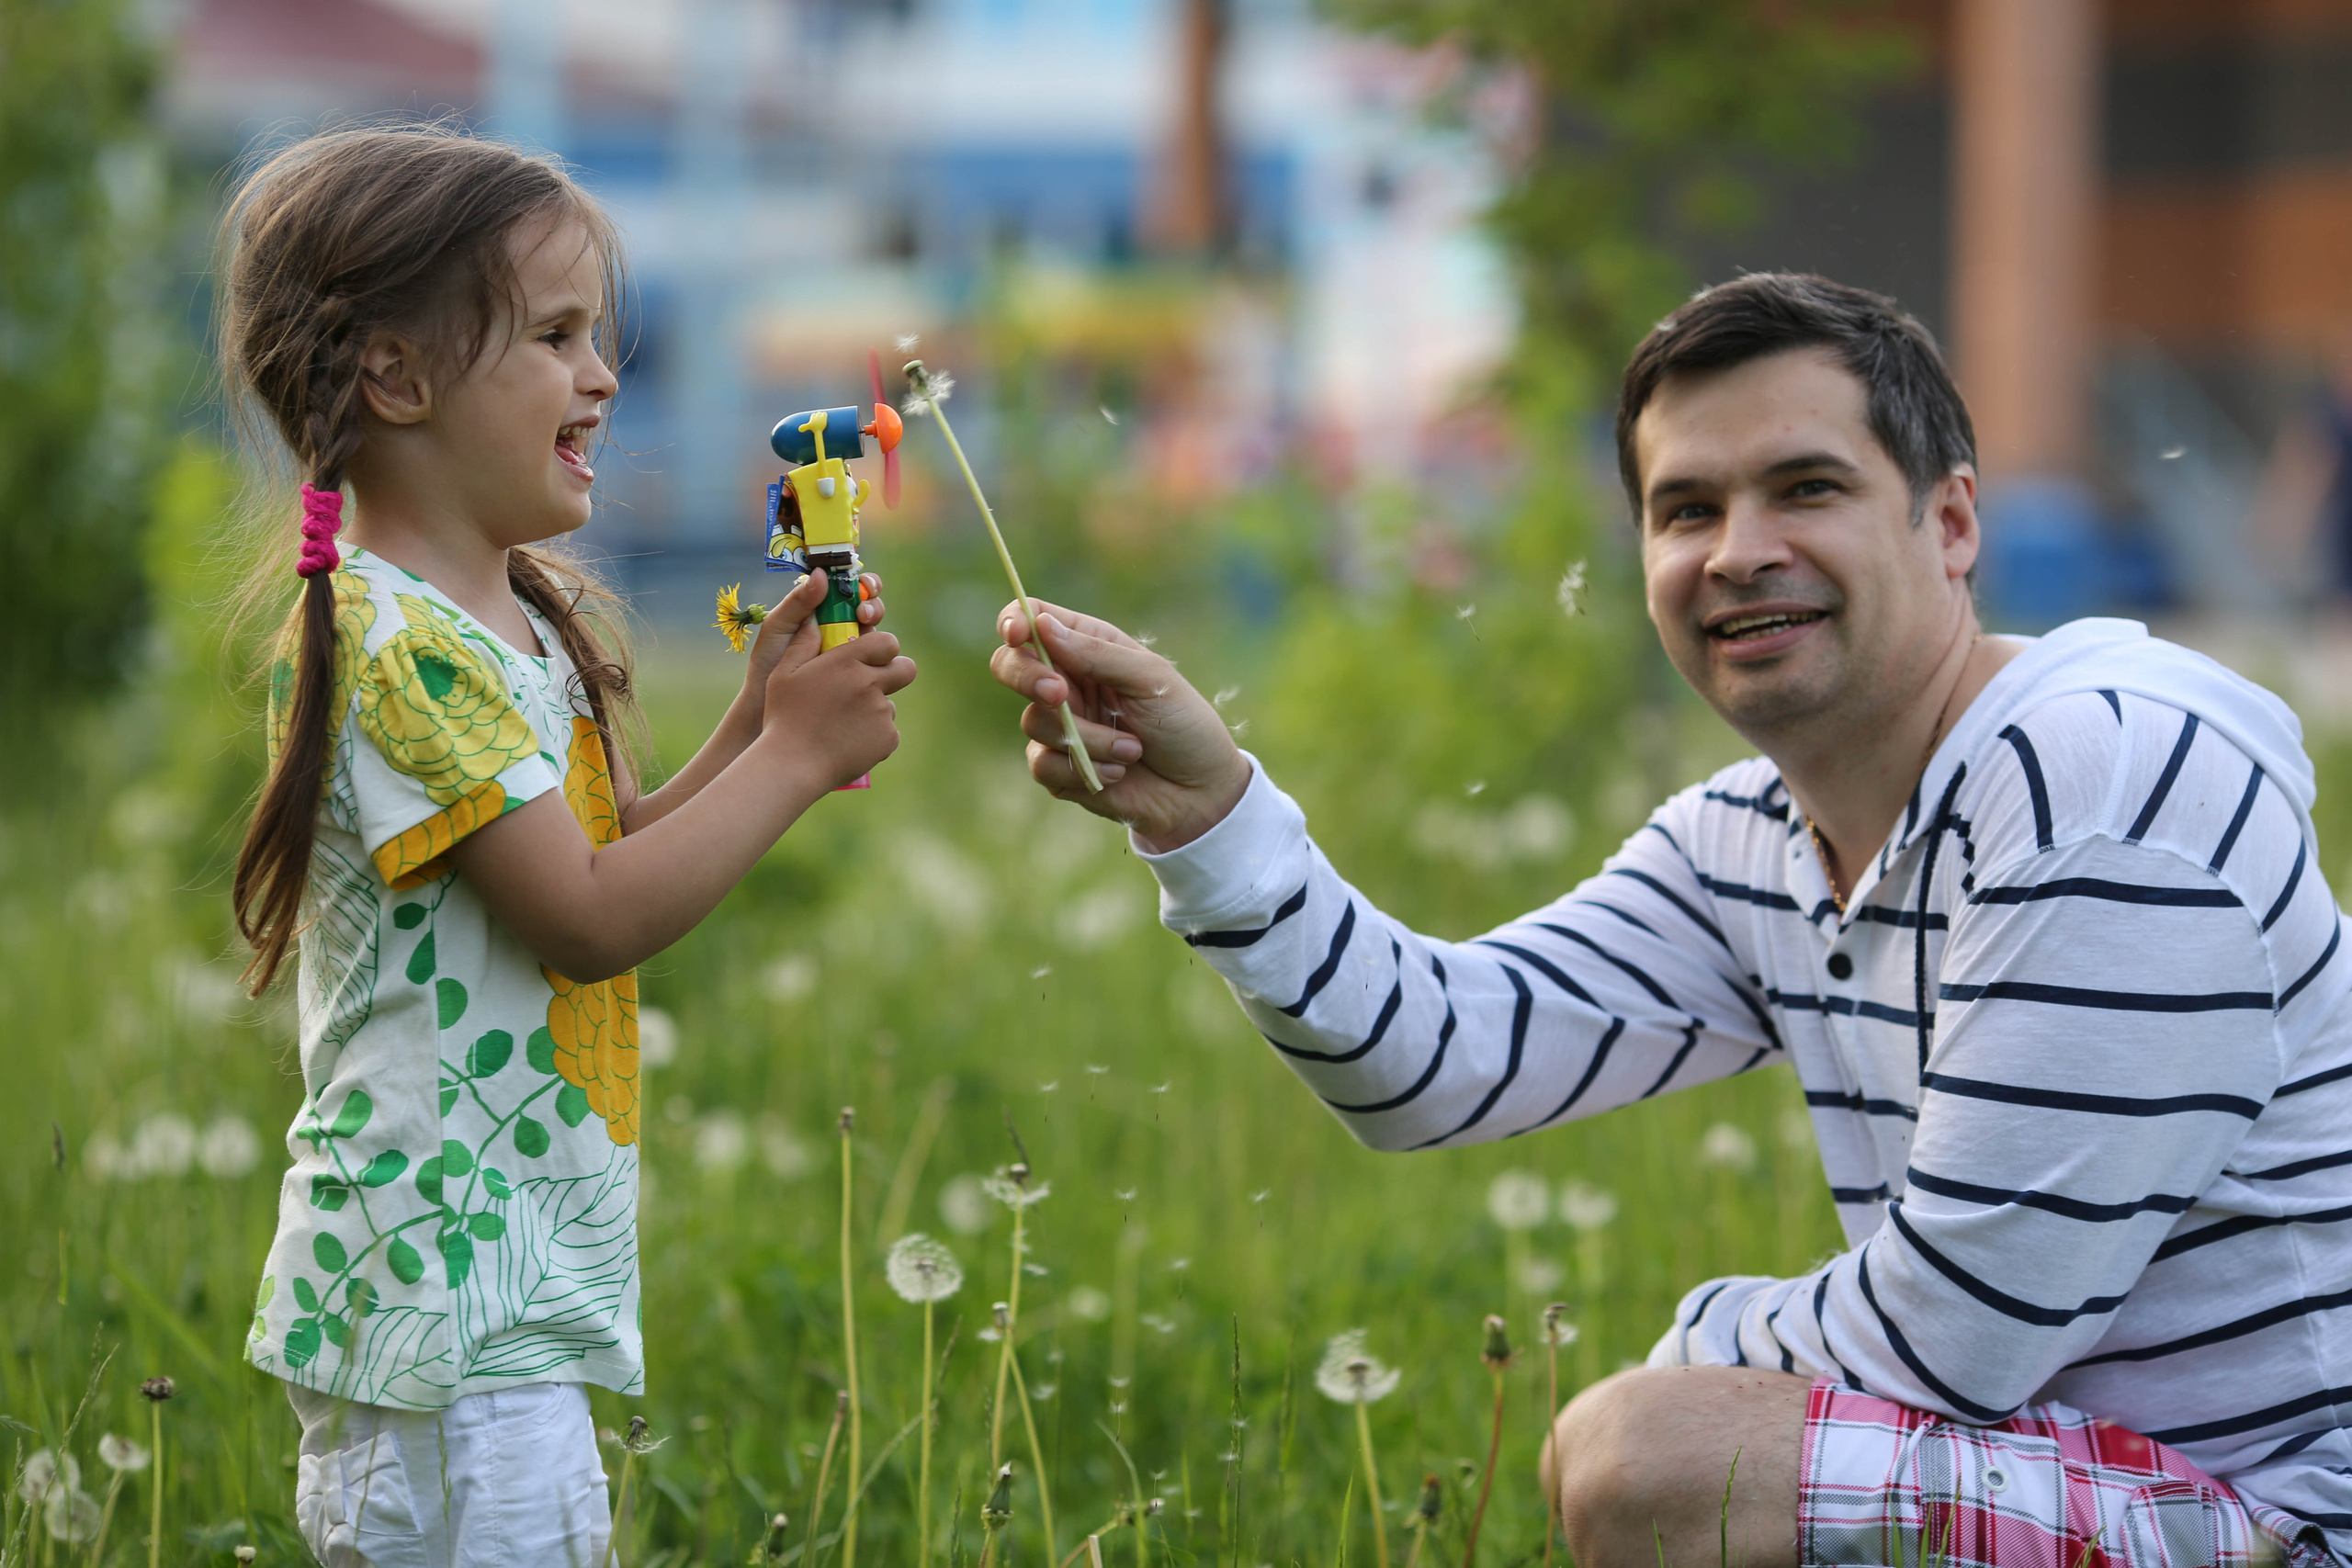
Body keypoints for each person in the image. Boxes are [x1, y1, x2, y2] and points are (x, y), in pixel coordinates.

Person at [990, 274, 2352, 1565]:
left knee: (1659, 1459)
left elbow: (1956, 1337)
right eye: (1686, 509)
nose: (1739, 553)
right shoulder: (1755, 833)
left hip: (2289, 1513)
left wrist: (1694, 1350)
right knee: (1675, 1452)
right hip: (2076, 1476)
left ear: (1949, 525)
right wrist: (1214, 820)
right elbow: (1432, 1058)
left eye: (1806, 488)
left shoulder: (2103, 781)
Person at [221, 126, 915, 1566]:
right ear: (396, 377)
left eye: (596, 335)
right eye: (554, 336)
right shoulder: (397, 643)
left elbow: (604, 849)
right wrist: (795, 760)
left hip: (496, 1296)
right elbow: (588, 918)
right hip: (436, 1308)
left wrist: (756, 722)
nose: (601, 375)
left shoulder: (513, 621)